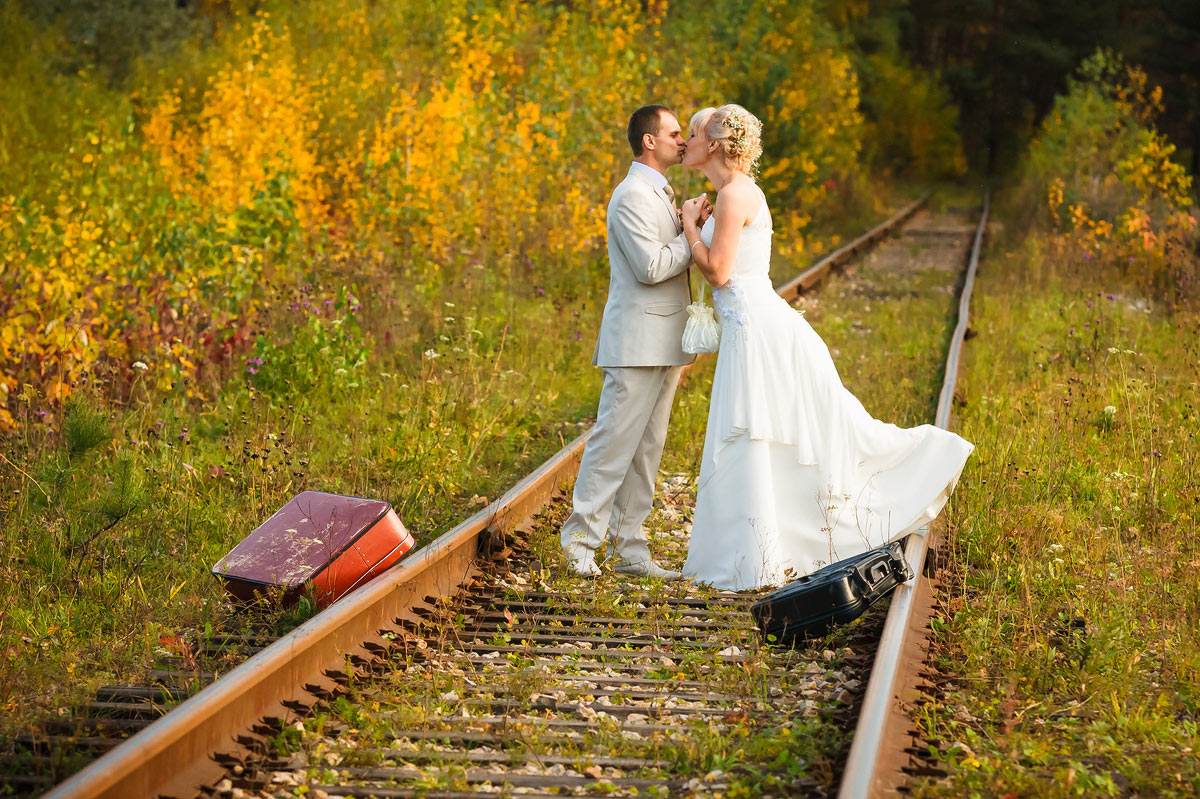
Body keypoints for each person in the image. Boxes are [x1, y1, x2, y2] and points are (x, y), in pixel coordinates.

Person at [678, 104, 974, 591]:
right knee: (760, 440)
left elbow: (719, 272)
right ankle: (752, 554)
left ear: (712, 144)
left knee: (762, 434)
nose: (686, 141)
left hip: (760, 331)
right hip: (748, 327)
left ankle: (923, 461)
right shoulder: (728, 194)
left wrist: (691, 225)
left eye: (691, 133)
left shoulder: (734, 195)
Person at [559, 105, 709, 578]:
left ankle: (630, 550)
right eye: (674, 133)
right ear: (649, 140)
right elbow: (651, 267)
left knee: (647, 451)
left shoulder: (658, 192)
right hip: (637, 342)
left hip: (663, 341)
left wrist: (692, 224)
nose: (681, 141)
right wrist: (692, 233)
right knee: (613, 445)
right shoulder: (630, 197)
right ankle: (580, 544)